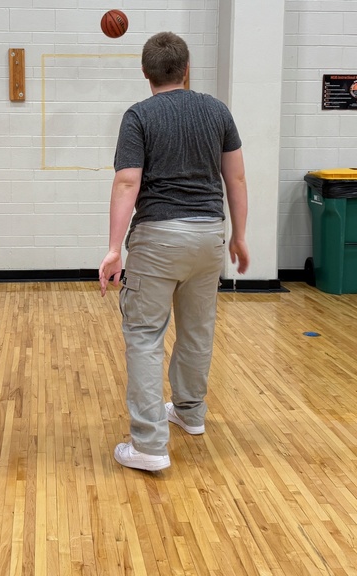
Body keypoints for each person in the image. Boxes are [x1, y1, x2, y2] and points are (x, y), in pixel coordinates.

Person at [99, 31, 249, 472]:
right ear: (188, 69)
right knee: (197, 330)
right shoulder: (217, 111)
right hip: (208, 236)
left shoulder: (138, 116)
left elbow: (128, 182)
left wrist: (112, 248)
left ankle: (148, 445)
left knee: (145, 337)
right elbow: (235, 180)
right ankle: (189, 412)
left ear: (146, 74)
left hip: (158, 238)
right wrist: (239, 236)